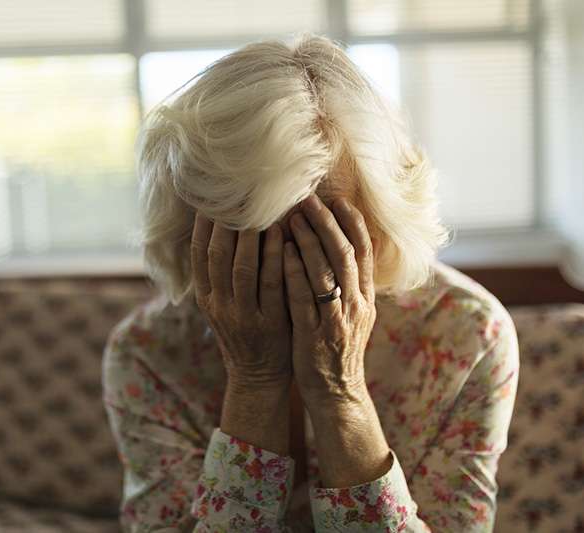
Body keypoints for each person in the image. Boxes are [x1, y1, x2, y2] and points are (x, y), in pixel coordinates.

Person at [102, 32, 519, 532]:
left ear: (381, 224)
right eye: (252, 238)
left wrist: (340, 391)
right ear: (194, 232)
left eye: (321, 235)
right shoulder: (146, 352)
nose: (289, 271)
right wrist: (254, 384)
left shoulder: (467, 333)